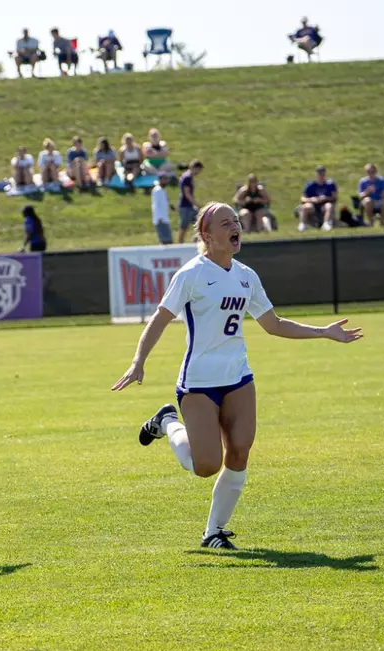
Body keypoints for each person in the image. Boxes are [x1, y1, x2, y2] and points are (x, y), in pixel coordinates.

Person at [112, 202, 363, 549]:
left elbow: (273, 324)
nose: (235, 227)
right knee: (205, 466)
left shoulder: (246, 275)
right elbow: (159, 318)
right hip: (199, 382)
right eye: (225, 222)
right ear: (207, 235)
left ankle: (213, 531)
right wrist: (139, 361)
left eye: (236, 221)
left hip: (238, 378)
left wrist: (323, 332)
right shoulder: (191, 274)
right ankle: (168, 421)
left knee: (240, 452)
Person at [297, 165, 338, 231]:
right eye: (319, 174)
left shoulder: (330, 184)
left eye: (322, 173)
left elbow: (334, 197)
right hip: (313, 204)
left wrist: (326, 198)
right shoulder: (310, 185)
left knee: (329, 206)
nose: (321, 176)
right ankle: (302, 224)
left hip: (324, 204)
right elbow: (303, 198)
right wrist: (311, 199)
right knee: (305, 207)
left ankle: (326, 223)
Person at [177, 160, 202, 237]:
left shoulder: (188, 177)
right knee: (183, 227)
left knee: (199, 223)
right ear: (195, 168)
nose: (199, 172)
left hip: (189, 206)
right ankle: (179, 244)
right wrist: (196, 204)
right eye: (199, 169)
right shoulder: (187, 177)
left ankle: (197, 240)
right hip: (185, 206)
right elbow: (187, 193)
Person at [151, 174, 174, 244]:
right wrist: (160, 218)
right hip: (161, 219)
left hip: (165, 218)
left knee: (168, 240)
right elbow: (156, 205)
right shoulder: (157, 190)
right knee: (165, 240)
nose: (166, 181)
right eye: (164, 179)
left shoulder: (162, 190)